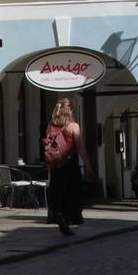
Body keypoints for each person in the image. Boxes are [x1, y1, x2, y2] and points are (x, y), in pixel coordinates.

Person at [43, 97, 85, 235]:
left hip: (56, 165)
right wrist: (89, 166)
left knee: (59, 193)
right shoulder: (73, 127)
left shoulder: (50, 126)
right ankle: (68, 219)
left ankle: (59, 216)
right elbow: (80, 149)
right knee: (75, 193)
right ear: (71, 110)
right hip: (70, 164)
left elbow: (49, 146)